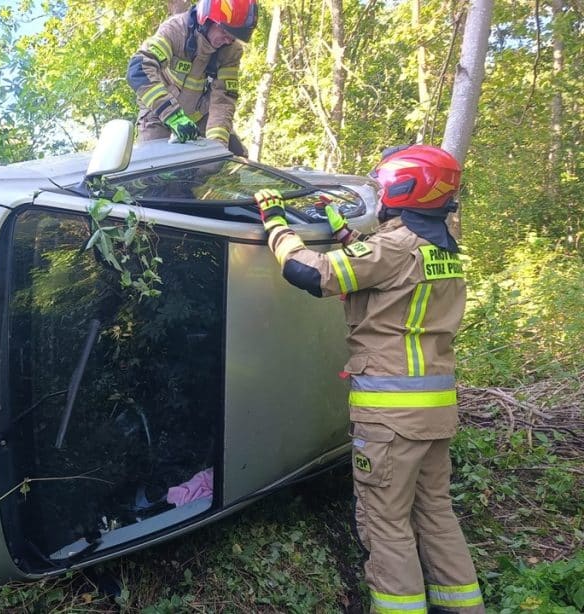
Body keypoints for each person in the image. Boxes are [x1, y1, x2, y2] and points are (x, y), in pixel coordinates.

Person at [255, 145, 485, 614]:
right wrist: (343, 230)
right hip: (434, 414)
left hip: (391, 419)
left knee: (387, 522)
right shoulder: (442, 249)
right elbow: (382, 271)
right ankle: (463, 606)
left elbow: (310, 273)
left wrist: (276, 222)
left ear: (403, 189)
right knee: (435, 512)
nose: (379, 196)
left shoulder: (394, 248)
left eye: (383, 188)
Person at [127, 0, 257, 157]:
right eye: (225, 32)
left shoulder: (231, 51)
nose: (229, 40)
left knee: (232, 159)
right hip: (159, 112)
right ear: (206, 19)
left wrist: (217, 147)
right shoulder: (175, 31)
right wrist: (173, 115)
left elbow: (223, 100)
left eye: (234, 36)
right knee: (153, 164)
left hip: (201, 117)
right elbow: (139, 69)